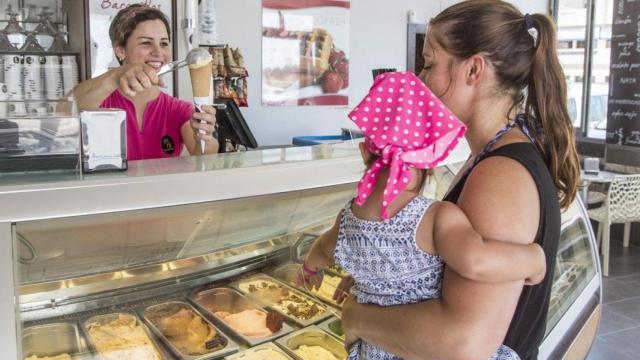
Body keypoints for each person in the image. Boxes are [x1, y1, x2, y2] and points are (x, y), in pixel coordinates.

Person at [335, 1, 580, 359]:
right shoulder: (493, 153)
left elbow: (463, 343)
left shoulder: (501, 176)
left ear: (473, 70)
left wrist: (357, 317)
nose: (421, 81)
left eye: (429, 64)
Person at [298, 71, 546, 360]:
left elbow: (321, 250)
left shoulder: (346, 219)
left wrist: (309, 271)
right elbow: (476, 261)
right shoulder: (433, 218)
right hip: (416, 347)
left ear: (366, 152)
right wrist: (534, 259)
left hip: (374, 349)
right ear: (429, 159)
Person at [72, 4, 218, 160]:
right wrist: (115, 76)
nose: (158, 52)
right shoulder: (98, 104)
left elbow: (203, 154)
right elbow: (64, 111)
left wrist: (204, 137)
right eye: (146, 43)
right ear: (120, 50)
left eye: (163, 43)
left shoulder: (178, 110)